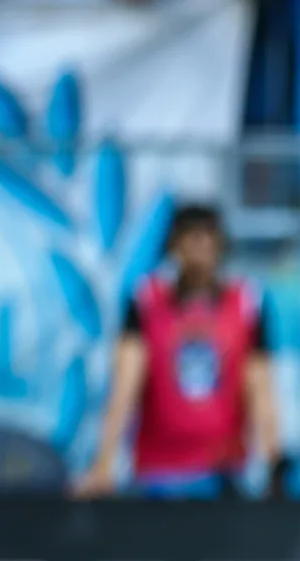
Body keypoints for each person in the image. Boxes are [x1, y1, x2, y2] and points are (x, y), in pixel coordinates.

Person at [76, 205, 283, 500]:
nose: (199, 247)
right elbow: (124, 388)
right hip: (159, 473)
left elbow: (261, 390)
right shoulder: (147, 301)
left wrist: (274, 463)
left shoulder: (246, 303)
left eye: (207, 237)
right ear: (174, 246)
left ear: (220, 245)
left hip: (223, 472)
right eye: (190, 238)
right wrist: (104, 463)